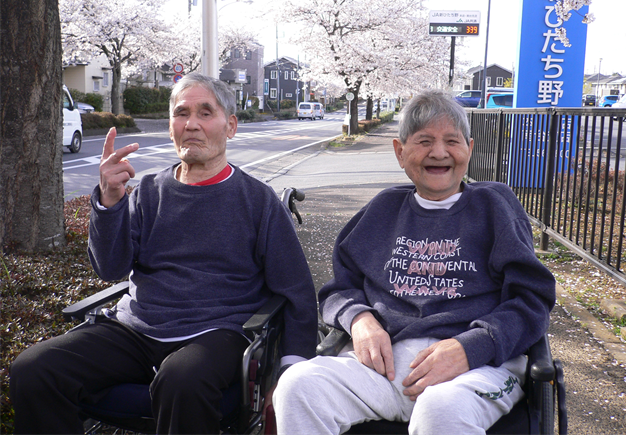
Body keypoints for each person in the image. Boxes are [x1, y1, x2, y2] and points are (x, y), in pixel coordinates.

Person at [10, 73, 318, 435]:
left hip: (218, 331)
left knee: (182, 379)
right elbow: (111, 268)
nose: (191, 124)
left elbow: (296, 292)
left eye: (206, 113)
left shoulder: (258, 200)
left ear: (230, 126)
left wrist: (290, 372)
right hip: (138, 328)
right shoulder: (149, 192)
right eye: (181, 113)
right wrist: (110, 201)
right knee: (34, 368)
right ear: (171, 125)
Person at [273, 90, 556, 434]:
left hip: (477, 368)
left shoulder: (494, 207)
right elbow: (338, 291)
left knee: (441, 411)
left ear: (468, 147)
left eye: (452, 141)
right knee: (297, 385)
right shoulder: (381, 211)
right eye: (424, 141)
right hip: (384, 369)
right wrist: (359, 319)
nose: (439, 152)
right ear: (400, 151)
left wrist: (473, 346)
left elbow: (533, 299)